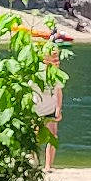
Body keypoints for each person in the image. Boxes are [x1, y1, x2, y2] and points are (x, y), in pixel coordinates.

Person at [34, 40, 66, 173]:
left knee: (53, 137)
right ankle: (34, 164)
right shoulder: (37, 72)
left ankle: (48, 166)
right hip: (37, 109)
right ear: (45, 58)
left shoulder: (56, 73)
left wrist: (58, 108)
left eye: (57, 57)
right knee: (34, 137)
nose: (57, 60)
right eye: (54, 57)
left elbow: (58, 91)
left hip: (51, 110)